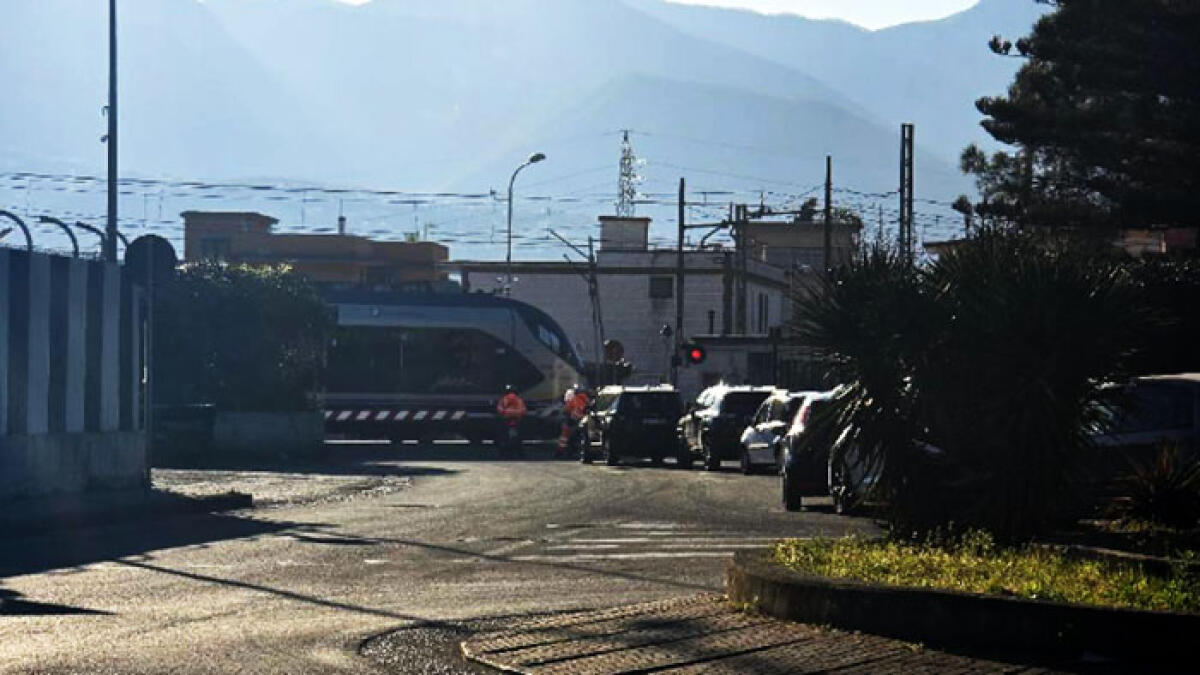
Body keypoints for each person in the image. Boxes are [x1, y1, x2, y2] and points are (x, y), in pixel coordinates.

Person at [557, 384, 590, 455]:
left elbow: (567, 409)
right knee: (579, 436)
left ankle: (562, 451)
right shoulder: (586, 400)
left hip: (573, 420)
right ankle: (576, 450)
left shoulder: (573, 399)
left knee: (566, 436)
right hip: (583, 420)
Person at [496, 384, 527, 452]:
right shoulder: (519, 399)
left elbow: (499, 409)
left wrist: (503, 413)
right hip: (517, 418)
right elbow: (523, 410)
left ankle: (505, 447)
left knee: (503, 433)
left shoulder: (504, 399)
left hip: (507, 417)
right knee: (518, 433)